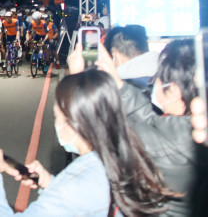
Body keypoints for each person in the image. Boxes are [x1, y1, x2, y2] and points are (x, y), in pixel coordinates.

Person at [0, 69, 177, 217]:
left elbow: (74, 194)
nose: (57, 123)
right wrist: (50, 183)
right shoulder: (125, 157)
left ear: (74, 123)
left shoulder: (75, 186)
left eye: (57, 117)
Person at [86, 40, 208, 216]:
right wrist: (118, 83)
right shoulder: (186, 127)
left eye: (157, 78)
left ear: (173, 90)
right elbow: (151, 121)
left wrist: (80, 83)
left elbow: (109, 135)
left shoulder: (172, 139)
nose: (154, 83)